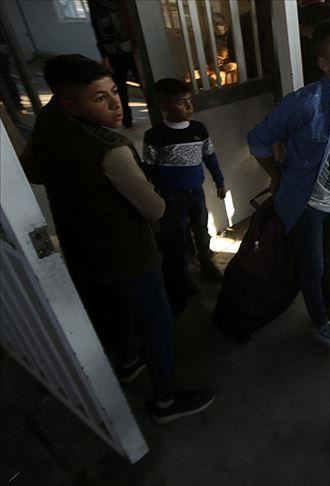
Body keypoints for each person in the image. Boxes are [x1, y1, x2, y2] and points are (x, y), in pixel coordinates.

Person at [21, 54, 214, 424]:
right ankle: (166, 401)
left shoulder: (49, 121)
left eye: (114, 91)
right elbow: (154, 208)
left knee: (114, 309)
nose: (115, 104)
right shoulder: (110, 150)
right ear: (69, 103)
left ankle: (127, 363)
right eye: (100, 98)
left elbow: (32, 170)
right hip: (128, 251)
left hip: (81, 244)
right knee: (156, 323)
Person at [247, 20, 330, 353]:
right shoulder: (304, 102)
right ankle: (319, 323)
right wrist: (276, 175)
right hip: (306, 203)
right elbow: (257, 140)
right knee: (312, 266)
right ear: (324, 64)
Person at [142, 78, 226, 312]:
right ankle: (183, 277)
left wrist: (219, 181)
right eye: (181, 102)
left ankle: (206, 264)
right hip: (170, 198)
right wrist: (152, 196)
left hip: (196, 194)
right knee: (176, 239)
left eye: (189, 101)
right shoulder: (155, 136)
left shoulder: (198, 130)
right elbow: (148, 170)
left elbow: (210, 157)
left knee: (201, 230)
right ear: (165, 106)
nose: (189, 107)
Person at [87, 0, 138, 128]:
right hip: (113, 53)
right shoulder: (95, 4)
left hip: (130, 50)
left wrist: (137, 48)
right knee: (119, 88)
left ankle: (158, 114)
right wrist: (104, 56)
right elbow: (97, 31)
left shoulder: (122, 3)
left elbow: (132, 22)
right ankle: (127, 120)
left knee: (146, 84)